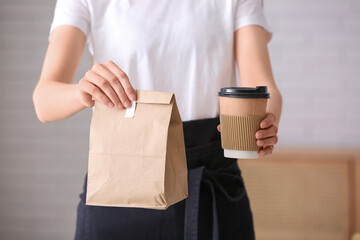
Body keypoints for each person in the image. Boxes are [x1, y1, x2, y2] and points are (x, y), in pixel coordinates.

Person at [32, 0, 282, 239]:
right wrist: (82, 91)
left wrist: (265, 122)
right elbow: (44, 101)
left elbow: (261, 86)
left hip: (209, 183)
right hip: (119, 185)